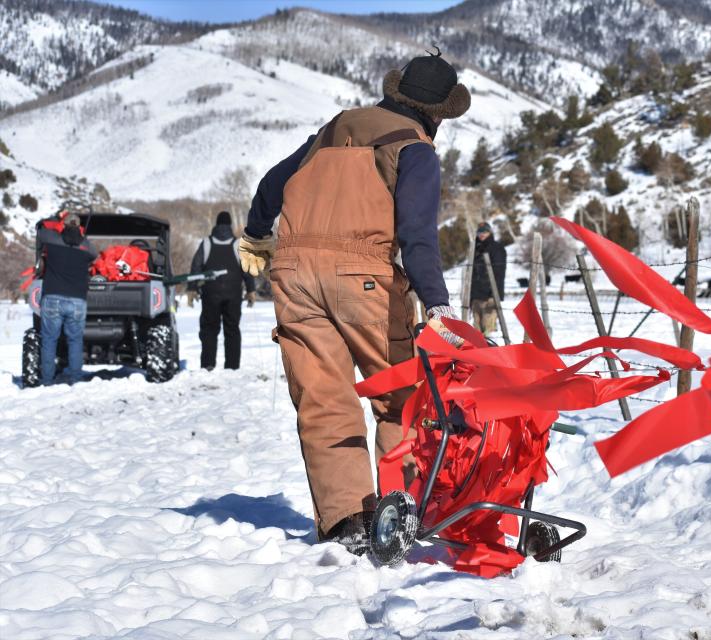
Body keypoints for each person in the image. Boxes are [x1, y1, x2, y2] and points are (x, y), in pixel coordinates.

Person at [237, 50, 470, 554]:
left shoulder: (332, 129)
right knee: (401, 400)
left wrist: (256, 236)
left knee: (322, 400)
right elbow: (417, 235)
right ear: (438, 114)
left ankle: (347, 522)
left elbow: (270, 186)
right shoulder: (415, 150)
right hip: (364, 277)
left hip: (294, 276)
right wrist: (437, 303)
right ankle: (398, 513)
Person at [187, 211, 256, 370]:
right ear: (230, 225)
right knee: (232, 329)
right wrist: (250, 290)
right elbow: (247, 268)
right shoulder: (238, 244)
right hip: (233, 294)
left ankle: (208, 365)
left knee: (209, 329)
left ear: (216, 225)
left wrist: (192, 289)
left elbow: (196, 266)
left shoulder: (206, 243)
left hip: (210, 294)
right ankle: (232, 367)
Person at [37, 212, 97, 385]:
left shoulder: (52, 239)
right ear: (79, 227)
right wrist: (81, 240)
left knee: (49, 340)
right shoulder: (86, 246)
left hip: (52, 298)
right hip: (77, 300)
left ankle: (47, 381)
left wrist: (56, 221)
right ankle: (76, 380)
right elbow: (94, 254)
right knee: (75, 340)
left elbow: (42, 232)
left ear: (63, 225)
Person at [469, 222, 506, 335]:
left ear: (490, 232)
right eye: (480, 232)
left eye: (485, 231)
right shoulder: (474, 248)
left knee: (488, 330)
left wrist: (493, 294)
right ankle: (478, 352)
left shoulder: (497, 248)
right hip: (476, 295)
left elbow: (499, 273)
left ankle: (490, 351)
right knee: (476, 331)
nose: (482, 234)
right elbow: (472, 273)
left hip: (490, 295)